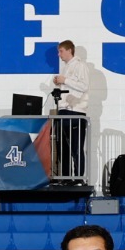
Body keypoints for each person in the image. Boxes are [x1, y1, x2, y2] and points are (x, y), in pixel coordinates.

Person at [49, 39, 91, 182]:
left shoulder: (80, 66)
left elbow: (84, 86)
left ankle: (79, 178)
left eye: (60, 51)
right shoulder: (66, 68)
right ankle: (66, 177)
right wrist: (60, 82)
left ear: (69, 50)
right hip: (63, 111)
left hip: (76, 111)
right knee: (63, 148)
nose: (59, 54)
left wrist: (65, 80)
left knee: (76, 147)